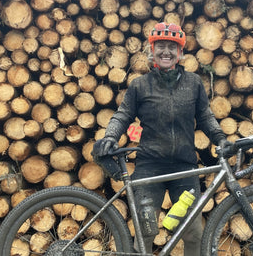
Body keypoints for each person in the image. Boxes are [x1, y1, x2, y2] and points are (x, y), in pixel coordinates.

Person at [92, 22, 233, 255]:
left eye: (172, 47)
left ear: (180, 53)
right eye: (161, 47)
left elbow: (206, 117)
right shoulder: (140, 85)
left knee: (194, 234)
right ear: (152, 51)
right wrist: (110, 136)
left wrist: (220, 138)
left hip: (185, 168)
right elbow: (123, 115)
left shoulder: (194, 83)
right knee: (146, 230)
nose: (166, 52)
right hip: (150, 168)